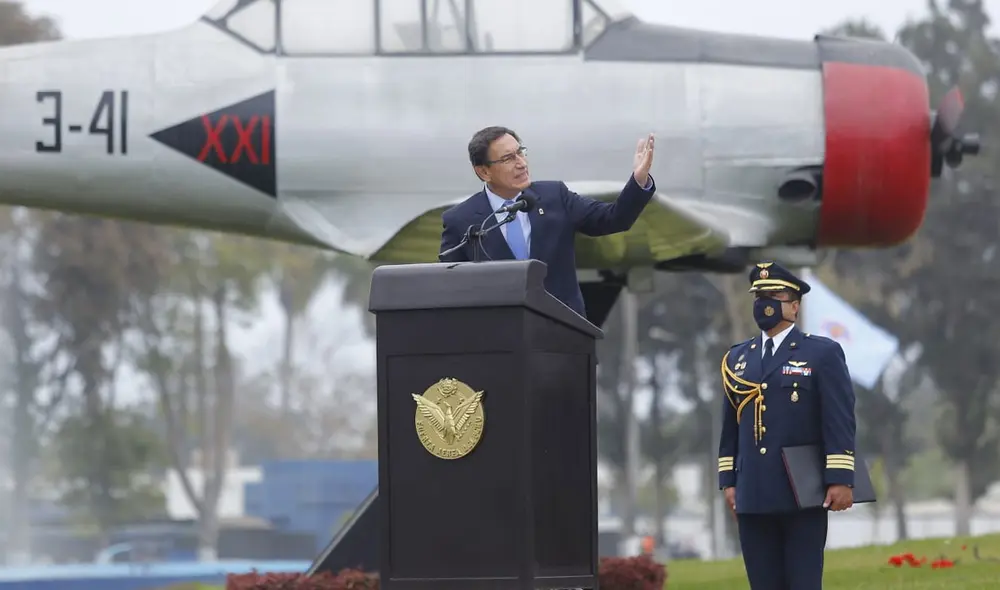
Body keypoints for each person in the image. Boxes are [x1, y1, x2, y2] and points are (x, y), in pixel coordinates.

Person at [717, 261, 856, 590]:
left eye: (775, 295)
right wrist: (728, 480)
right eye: (759, 296)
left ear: (794, 306)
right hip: (752, 492)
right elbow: (729, 427)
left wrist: (840, 477)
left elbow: (839, 418)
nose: (765, 303)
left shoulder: (821, 353)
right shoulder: (738, 358)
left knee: (803, 583)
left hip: (801, 492)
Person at [438, 126, 656, 318]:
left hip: (565, 336)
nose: (521, 163)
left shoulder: (555, 196)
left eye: (520, 153)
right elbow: (450, 289)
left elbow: (614, 218)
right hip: (499, 345)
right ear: (484, 171)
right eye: (508, 159)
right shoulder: (461, 220)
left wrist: (639, 180)